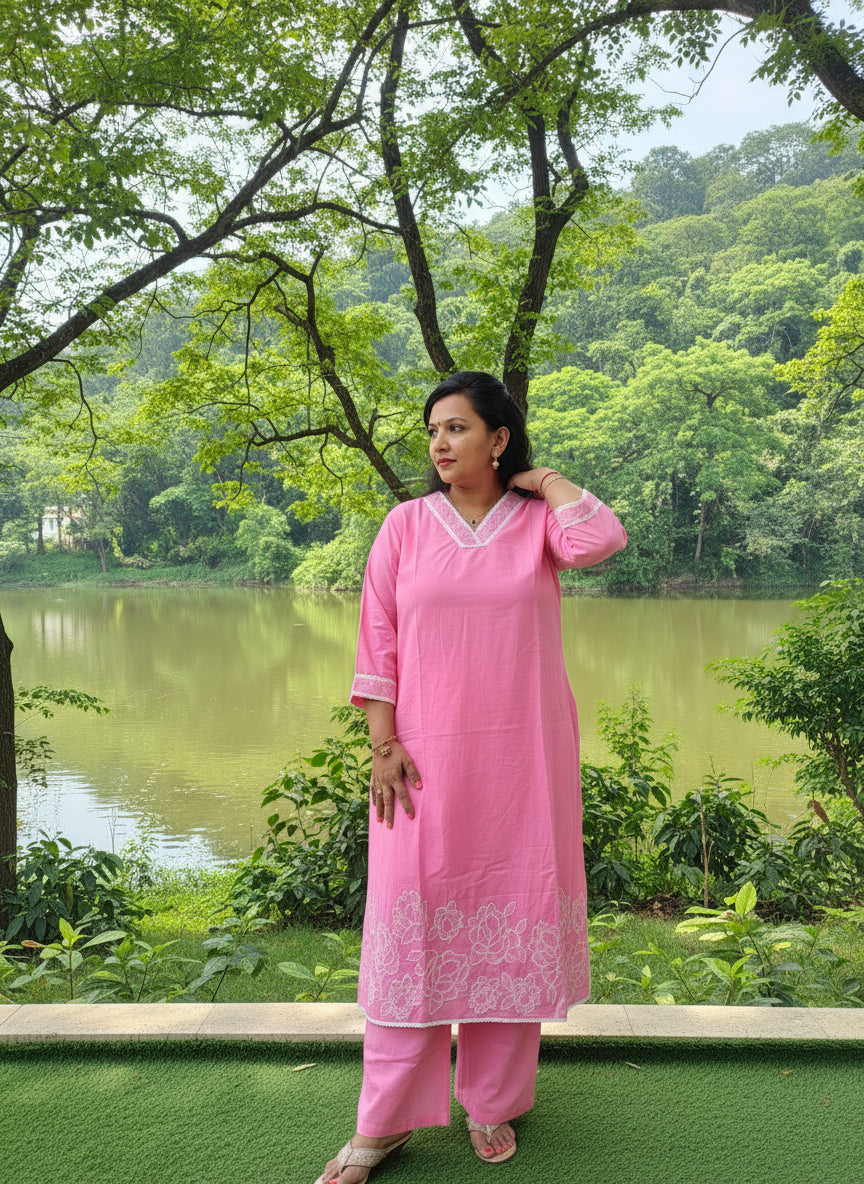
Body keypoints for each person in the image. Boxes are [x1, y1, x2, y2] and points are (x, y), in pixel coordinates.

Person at [314, 371, 627, 1184]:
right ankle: (382, 1125)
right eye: (432, 432)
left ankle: (490, 1100)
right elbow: (376, 639)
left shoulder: (539, 526)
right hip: (422, 763)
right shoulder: (405, 527)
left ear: (498, 437)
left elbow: (603, 540)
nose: (440, 444)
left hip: (525, 762)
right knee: (411, 931)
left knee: (513, 913)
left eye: (457, 427)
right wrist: (383, 745)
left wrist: (548, 480)